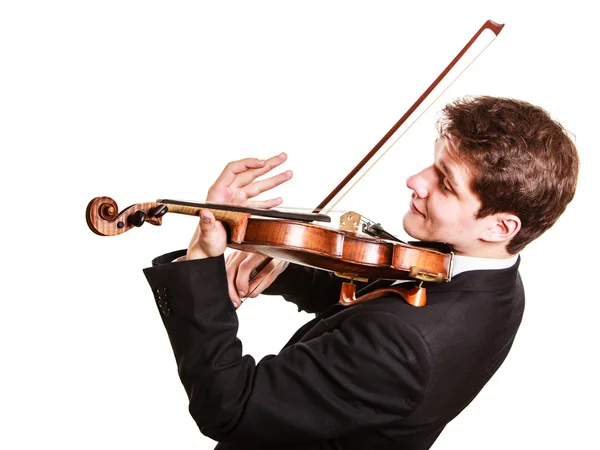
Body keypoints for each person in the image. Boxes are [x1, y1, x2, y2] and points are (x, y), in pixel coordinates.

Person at [143, 96, 578, 449]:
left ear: (500, 225)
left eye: (445, 183)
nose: (416, 180)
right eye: (433, 163)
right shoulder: (492, 278)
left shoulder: (404, 347)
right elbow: (376, 287)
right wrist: (268, 248)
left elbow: (232, 407)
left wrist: (201, 261)